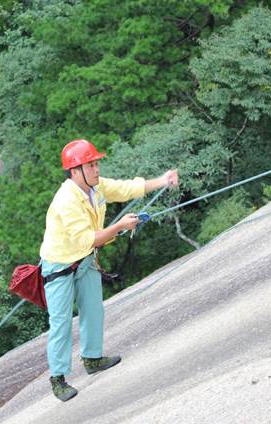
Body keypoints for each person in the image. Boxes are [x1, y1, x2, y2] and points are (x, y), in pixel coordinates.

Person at [40, 139, 178, 401]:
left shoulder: (96, 188)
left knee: (93, 309)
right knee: (60, 323)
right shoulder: (66, 200)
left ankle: (92, 359)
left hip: (85, 259)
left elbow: (127, 188)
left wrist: (162, 180)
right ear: (75, 171)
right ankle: (58, 379)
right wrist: (120, 227)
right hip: (59, 266)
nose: (97, 168)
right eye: (91, 164)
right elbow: (85, 239)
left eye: (96, 163)